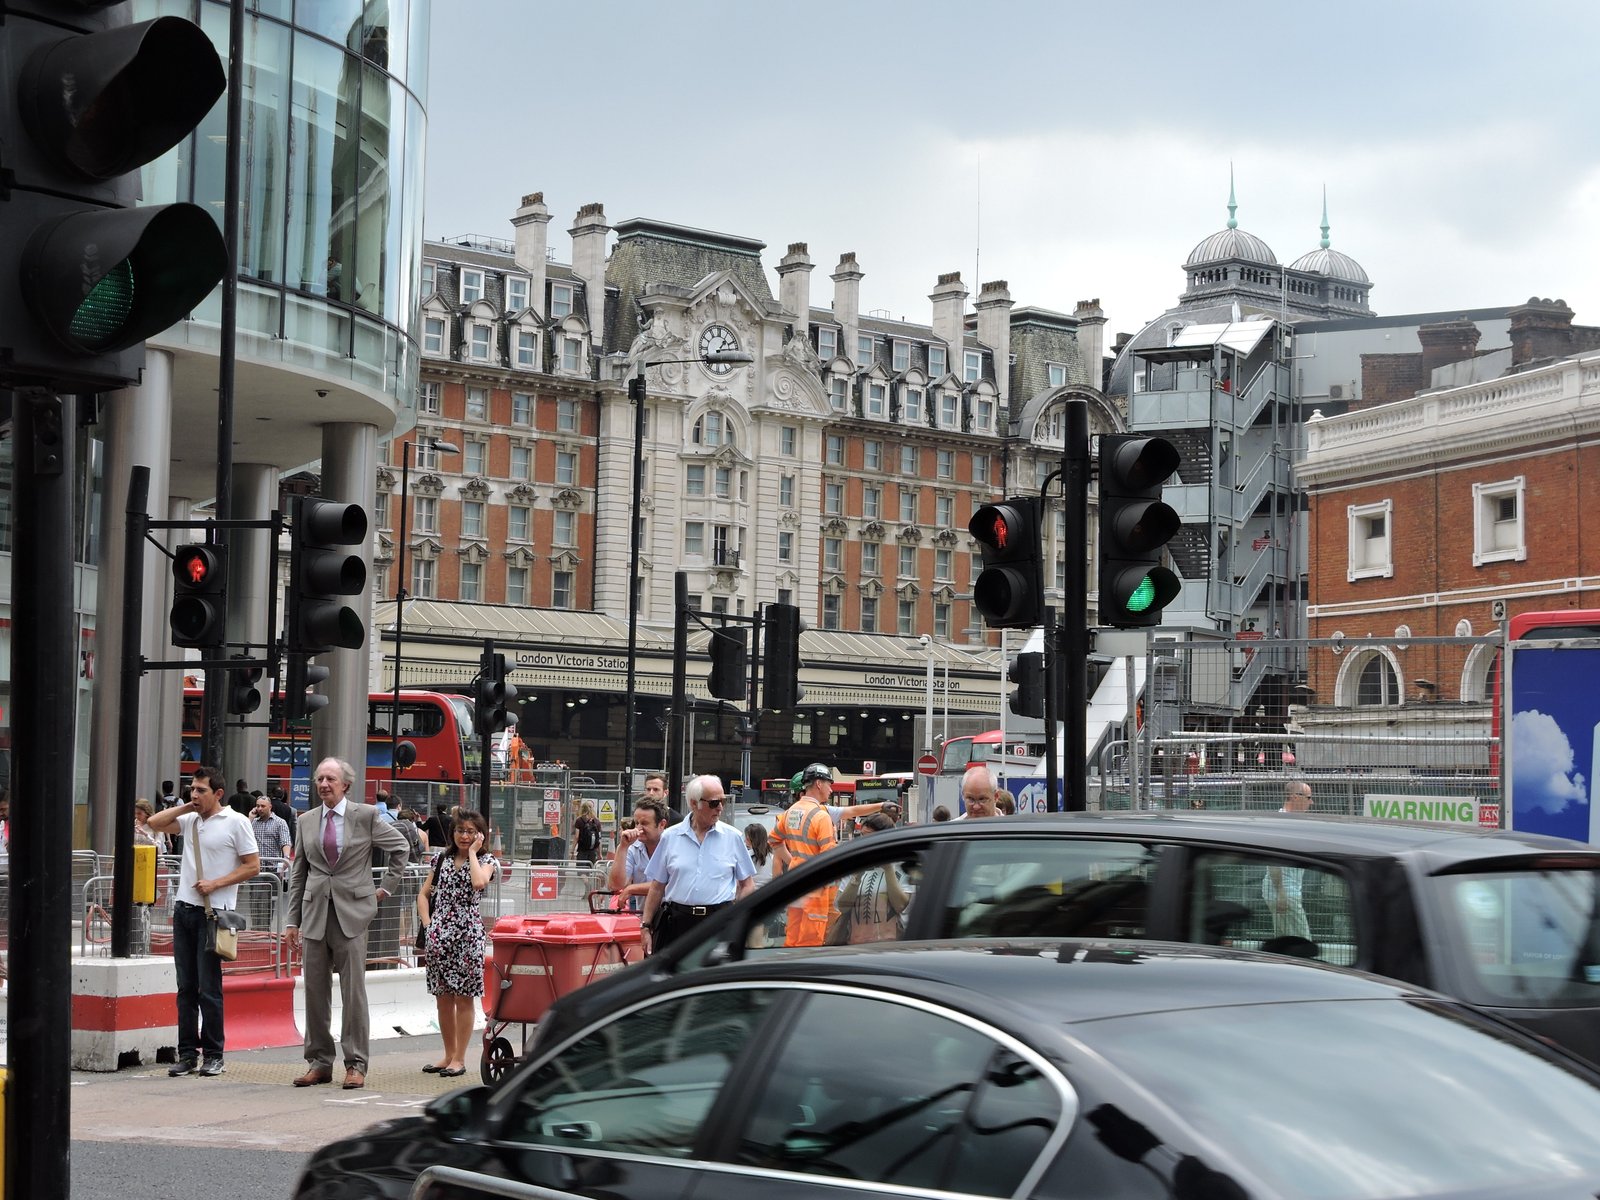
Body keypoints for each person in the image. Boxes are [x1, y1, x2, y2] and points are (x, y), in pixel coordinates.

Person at [285, 757, 411, 1090]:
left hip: (352, 915)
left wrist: (385, 887)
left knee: (353, 993)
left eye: (330, 779)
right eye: (319, 779)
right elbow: (299, 875)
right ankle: (319, 1061)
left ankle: (356, 1064)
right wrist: (291, 921)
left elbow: (400, 847)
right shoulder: (306, 820)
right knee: (314, 991)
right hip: (314, 915)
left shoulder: (366, 816)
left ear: (346, 785)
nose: (323, 784)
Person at [143, 767, 260, 1078]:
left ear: (218, 794)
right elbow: (152, 822)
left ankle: (213, 1054)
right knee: (185, 987)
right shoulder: (191, 819)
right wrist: (188, 805)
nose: (195, 794)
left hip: (214, 913)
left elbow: (253, 866)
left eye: (201, 791)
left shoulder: (236, 822)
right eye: (192, 789)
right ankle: (186, 1054)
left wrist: (216, 883)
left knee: (209, 988)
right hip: (183, 911)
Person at [416, 809, 496, 1077]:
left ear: (480, 835)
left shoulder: (487, 860)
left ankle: (459, 1058)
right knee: (442, 998)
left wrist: (473, 852)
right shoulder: (441, 859)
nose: (464, 836)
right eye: (460, 830)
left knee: (464, 998)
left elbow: (478, 882)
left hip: (468, 935)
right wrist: (429, 927)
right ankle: (448, 1054)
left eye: (471, 831)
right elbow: (424, 895)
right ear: (452, 833)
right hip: (439, 936)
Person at [640, 776, 755, 955]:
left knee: (712, 980)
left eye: (722, 801)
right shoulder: (670, 837)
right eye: (714, 802)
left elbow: (747, 885)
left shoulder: (733, 837)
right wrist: (645, 926)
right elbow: (657, 887)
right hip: (676, 924)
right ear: (694, 804)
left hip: (717, 923)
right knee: (673, 981)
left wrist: (735, 920)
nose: (720, 808)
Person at [826, 813, 911, 944]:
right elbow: (842, 907)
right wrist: (857, 875)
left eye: (869, 838)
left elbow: (900, 906)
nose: (864, 843)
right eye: (862, 836)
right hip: (856, 946)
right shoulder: (854, 866)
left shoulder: (901, 866)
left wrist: (888, 868)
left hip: (891, 947)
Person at [1263, 781, 1314, 940]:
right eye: (1309, 797)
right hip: (1284, 890)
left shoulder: (1291, 821)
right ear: (1295, 797)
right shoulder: (1281, 822)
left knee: (1284, 940)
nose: (1311, 802)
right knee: (1303, 941)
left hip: (1283, 890)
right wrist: (1281, 894)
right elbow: (1273, 860)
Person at [607, 797, 666, 910]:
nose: (639, 828)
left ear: (662, 825)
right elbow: (615, 885)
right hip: (643, 917)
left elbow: (670, 885)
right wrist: (622, 847)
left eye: (644, 823)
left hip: (672, 918)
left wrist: (632, 888)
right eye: (636, 823)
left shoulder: (673, 845)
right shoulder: (633, 848)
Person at [571, 801, 601, 867]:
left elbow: (576, 836)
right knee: (590, 871)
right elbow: (598, 839)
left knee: (582, 872)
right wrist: (599, 854)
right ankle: (587, 877)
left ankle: (585, 878)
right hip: (592, 851)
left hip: (582, 850)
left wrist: (572, 850)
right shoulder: (597, 821)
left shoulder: (579, 820)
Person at [745, 823, 774, 888]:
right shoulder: (773, 857)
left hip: (751, 895)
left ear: (753, 840)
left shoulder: (746, 856)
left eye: (747, 839)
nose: (745, 841)